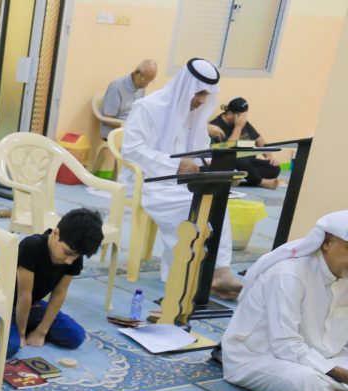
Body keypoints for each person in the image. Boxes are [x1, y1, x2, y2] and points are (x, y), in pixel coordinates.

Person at [120, 58, 242, 300]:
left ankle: (218, 270)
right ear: (186, 88)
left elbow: (200, 153)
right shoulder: (147, 107)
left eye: (207, 95)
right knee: (191, 204)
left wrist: (220, 170)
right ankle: (187, 271)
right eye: (200, 93)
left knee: (218, 201)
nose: (202, 101)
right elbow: (131, 150)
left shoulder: (196, 114)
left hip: (184, 182)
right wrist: (175, 165)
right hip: (150, 182)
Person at [222, 211, 348, 391]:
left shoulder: (344, 273)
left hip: (322, 354)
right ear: (327, 242)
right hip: (260, 356)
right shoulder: (288, 274)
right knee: (308, 383)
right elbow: (285, 345)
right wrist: (339, 373)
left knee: (317, 378)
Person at [0, 208, 103, 358]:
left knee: (75, 336)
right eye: (67, 253)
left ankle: (17, 326)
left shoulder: (74, 254)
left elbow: (59, 293)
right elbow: (23, 294)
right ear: (55, 234)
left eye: (76, 256)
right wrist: (22, 334)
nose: (70, 261)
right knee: (9, 347)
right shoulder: (32, 245)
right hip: (0, 303)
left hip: (31, 306)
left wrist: (41, 331)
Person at [208, 97, 281, 190]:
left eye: (244, 115)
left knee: (274, 168)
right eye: (240, 116)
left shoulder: (243, 121)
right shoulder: (216, 126)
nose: (243, 119)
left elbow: (259, 139)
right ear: (229, 114)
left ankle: (239, 182)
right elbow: (229, 149)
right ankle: (261, 182)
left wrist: (270, 156)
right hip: (231, 163)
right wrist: (238, 127)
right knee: (235, 156)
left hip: (248, 163)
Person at [100, 59, 157, 139]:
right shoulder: (117, 87)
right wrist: (129, 126)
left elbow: (138, 110)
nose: (147, 85)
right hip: (115, 133)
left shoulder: (141, 87)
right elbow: (107, 119)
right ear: (137, 74)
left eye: (150, 81)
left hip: (130, 130)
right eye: (146, 80)